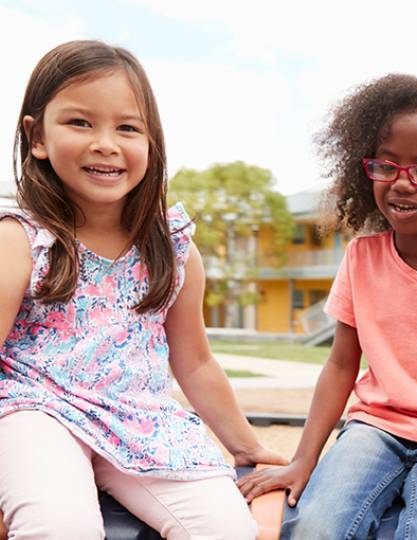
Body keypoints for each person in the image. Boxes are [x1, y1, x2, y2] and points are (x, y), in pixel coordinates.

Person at [0, 40, 285, 539]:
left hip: (139, 420)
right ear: (36, 136)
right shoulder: (21, 239)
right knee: (61, 524)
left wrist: (245, 445)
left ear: (151, 143)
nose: (106, 143)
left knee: (227, 529)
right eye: (80, 123)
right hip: (35, 410)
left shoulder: (172, 249)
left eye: (127, 128)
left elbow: (194, 361)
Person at [237, 73, 417, 539]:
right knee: (313, 526)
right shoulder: (362, 256)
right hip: (374, 428)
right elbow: (340, 366)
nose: (402, 182)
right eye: (387, 166)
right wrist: (303, 460)